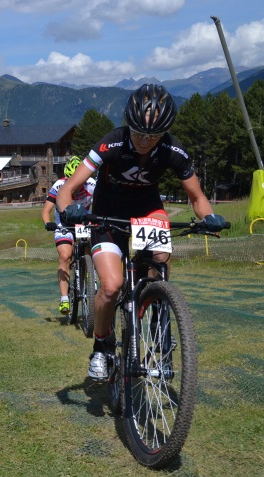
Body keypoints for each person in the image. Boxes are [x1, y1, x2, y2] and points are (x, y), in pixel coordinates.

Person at [57, 84, 226, 381]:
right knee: (110, 287)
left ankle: (157, 306)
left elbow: (197, 197)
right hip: (106, 212)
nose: (146, 141)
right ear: (128, 124)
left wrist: (209, 216)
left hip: (147, 209)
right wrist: (69, 209)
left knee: (161, 257)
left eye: (154, 136)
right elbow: (68, 189)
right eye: (139, 133)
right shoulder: (112, 143)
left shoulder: (173, 150)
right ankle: (101, 345)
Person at [41, 155, 96, 315]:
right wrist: (47, 223)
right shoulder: (59, 185)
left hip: (84, 222)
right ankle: (64, 298)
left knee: (93, 252)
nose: (76, 186)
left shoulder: (92, 184)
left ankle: (90, 286)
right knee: (65, 256)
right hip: (64, 223)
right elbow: (46, 210)